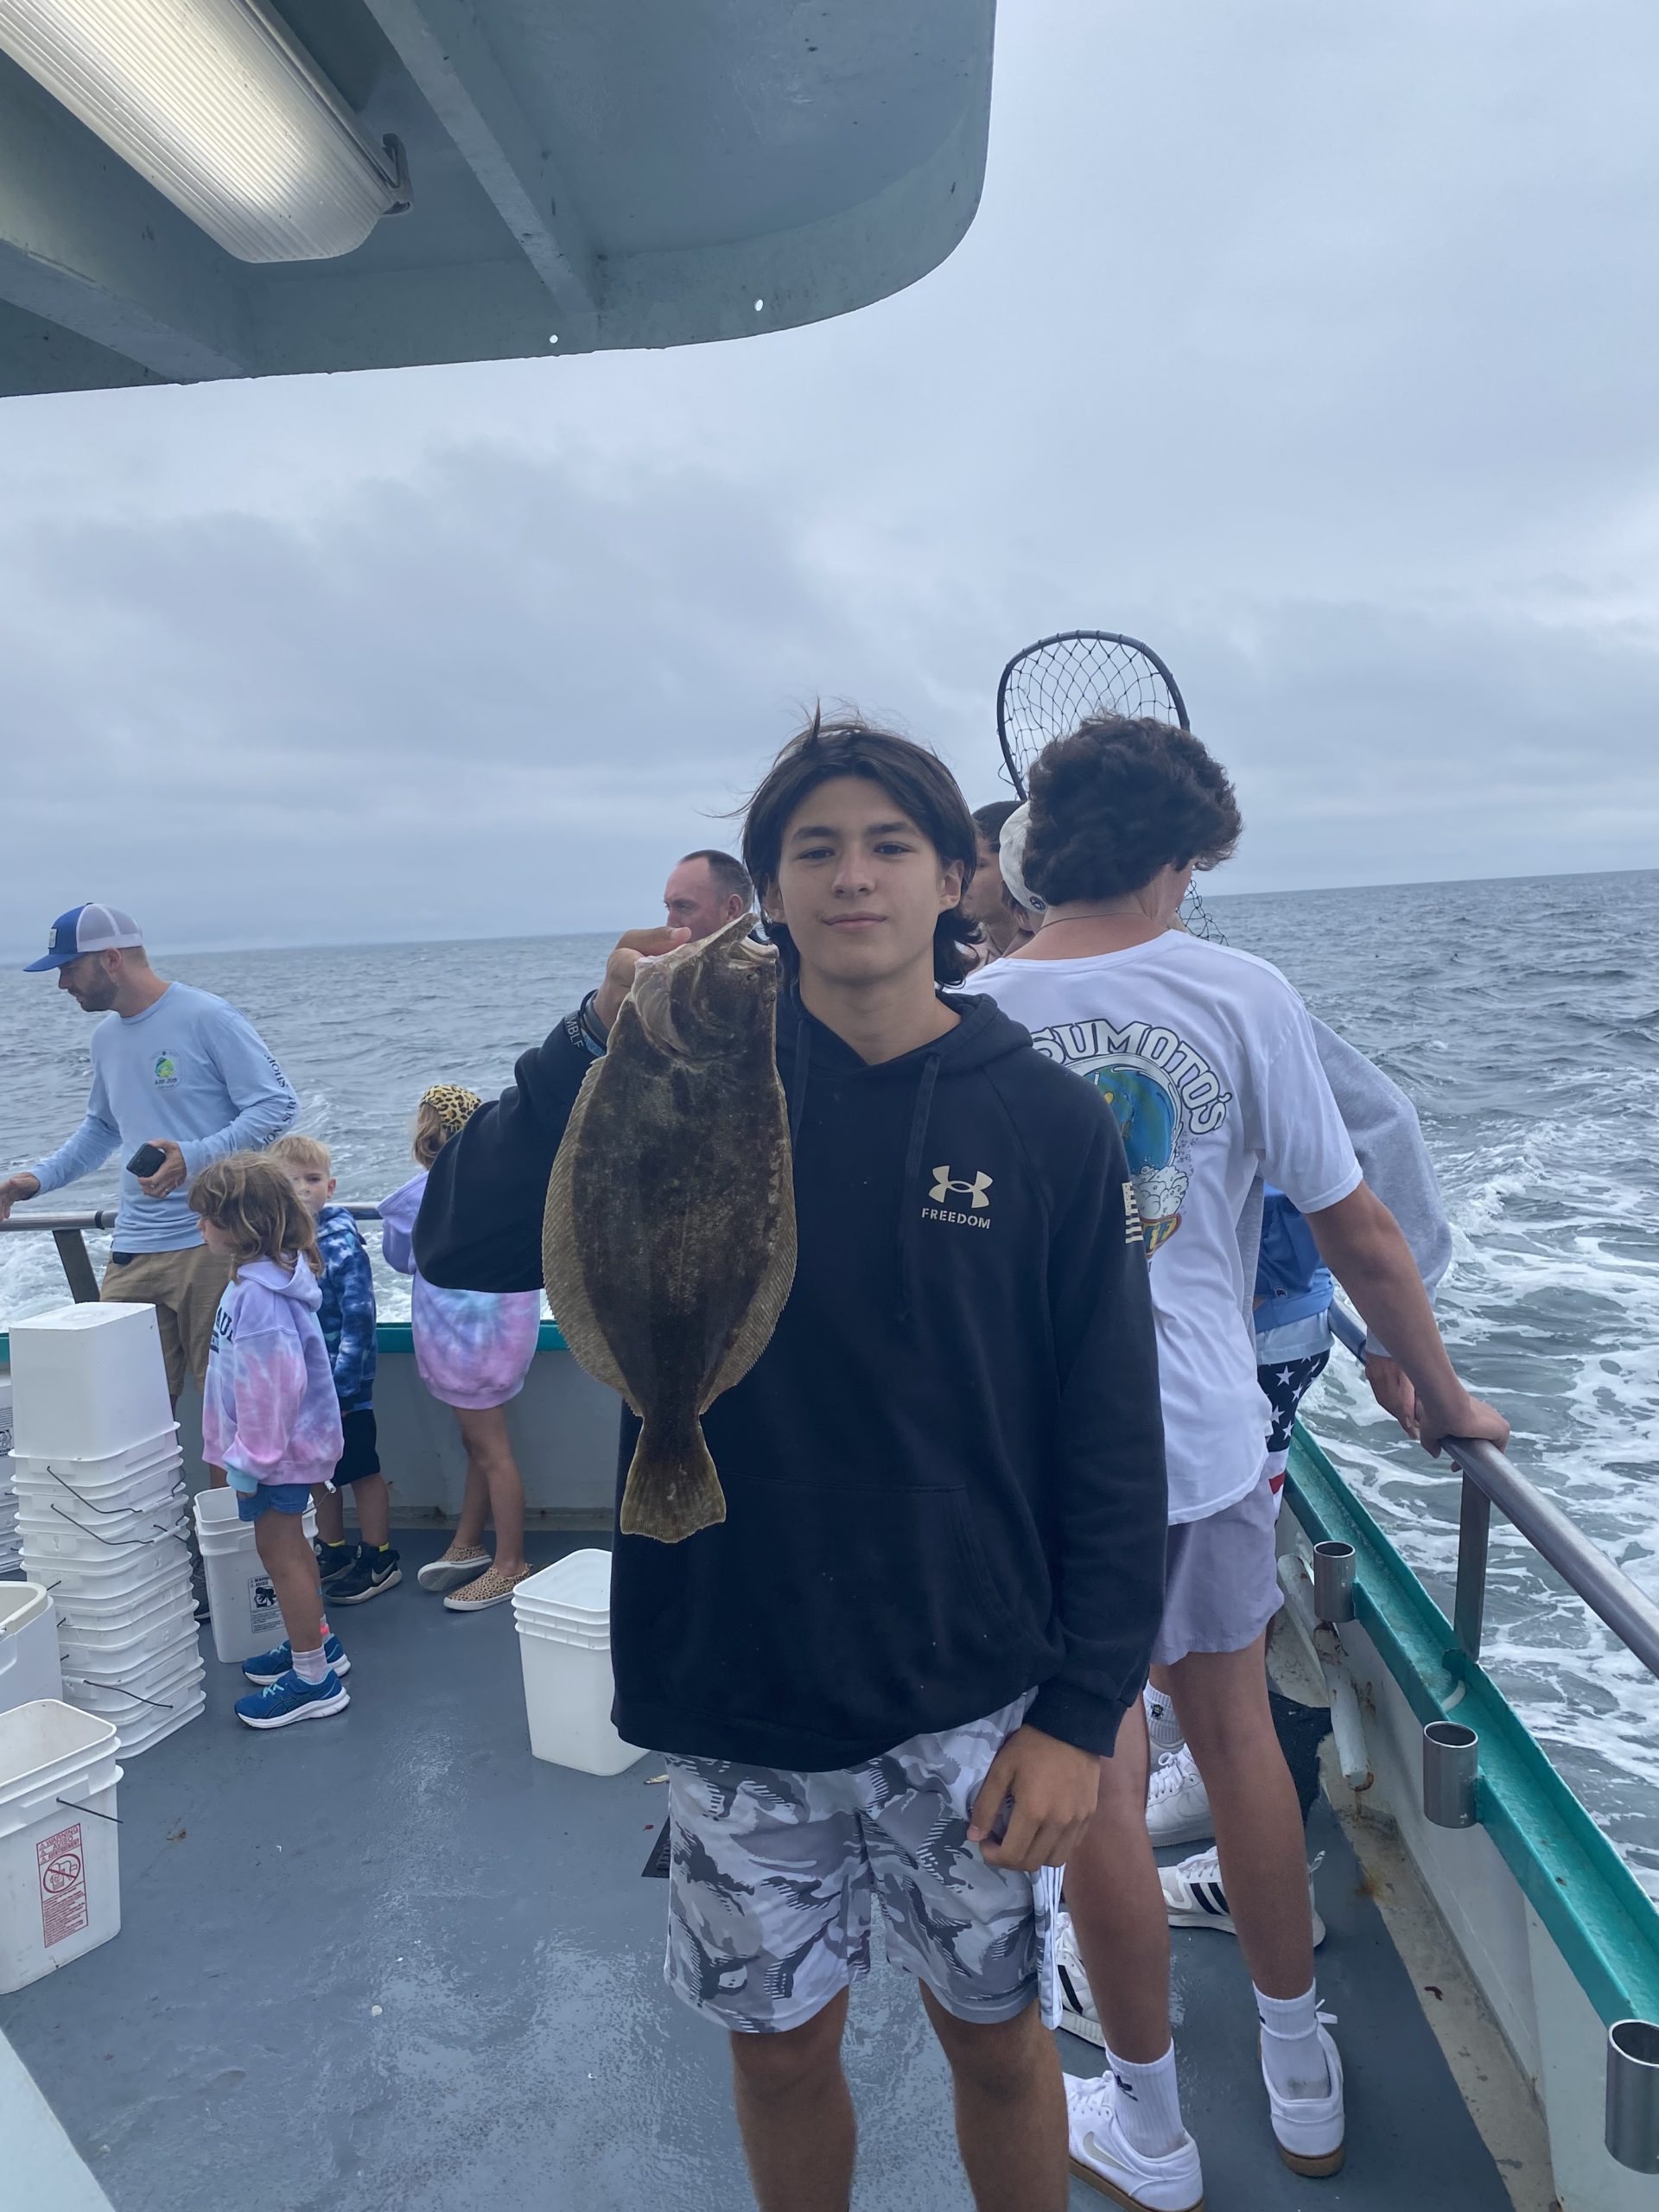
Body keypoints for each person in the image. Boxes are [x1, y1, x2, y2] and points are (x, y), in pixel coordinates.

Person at [415, 715, 1170, 2212]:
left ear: (958, 877)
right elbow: (464, 1238)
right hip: (734, 1677)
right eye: (812, 849)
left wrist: (1080, 1718)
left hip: (970, 1691)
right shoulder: (680, 1073)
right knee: (773, 2056)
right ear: (768, 889)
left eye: (891, 845)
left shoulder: (1050, 1125)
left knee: (1003, 2044)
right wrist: (588, 1032)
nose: (853, 878)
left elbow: (1110, 1444)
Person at [970, 715, 1509, 2205]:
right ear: (1184, 855)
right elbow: (1359, 1228)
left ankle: (1149, 2125)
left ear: (1036, 851)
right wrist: (1438, 1389)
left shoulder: (966, 1017)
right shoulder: (1241, 991)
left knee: (1094, 1773)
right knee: (1238, 1742)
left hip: (1029, 1478)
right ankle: (1302, 2071)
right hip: (1203, 1448)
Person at [2, 903, 296, 1407]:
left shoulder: (209, 1017)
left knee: (225, 1412)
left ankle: (226, 1493)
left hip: (215, 1244)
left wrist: (195, 1155)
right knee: (123, 1411)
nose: (62, 984)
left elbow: (277, 1104)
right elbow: (101, 1130)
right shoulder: (106, 1038)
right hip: (135, 1248)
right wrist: (30, 1182)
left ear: (111, 959)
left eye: (68, 968)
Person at [190, 1154, 350, 1732]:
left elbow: (272, 1389)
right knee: (295, 1552)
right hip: (284, 1452)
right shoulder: (266, 1280)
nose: (199, 1227)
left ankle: (313, 1681)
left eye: (207, 1217)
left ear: (242, 1225)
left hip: (273, 1457)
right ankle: (319, 1644)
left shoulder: (258, 1299)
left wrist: (249, 1463)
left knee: (279, 1557)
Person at [379, 1086, 540, 1613]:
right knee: (481, 1445)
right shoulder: (506, 1190)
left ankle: (511, 1564)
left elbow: (402, 1259)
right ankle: (468, 1543)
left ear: (426, 1138)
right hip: (506, 1340)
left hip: (461, 1347)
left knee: (492, 1452)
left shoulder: (417, 1197)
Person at [268, 1135, 399, 1605]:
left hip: (344, 1391)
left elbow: (360, 1319)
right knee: (315, 1471)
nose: (302, 1189)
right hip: (304, 1387)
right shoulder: (281, 1244)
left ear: (331, 1186)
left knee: (361, 1469)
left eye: (313, 1179)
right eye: (290, 1181)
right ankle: (334, 1549)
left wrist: (342, 1391)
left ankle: (379, 1555)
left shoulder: (342, 1243)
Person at [960, 801, 1038, 966]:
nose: (961, 878)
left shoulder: (1064, 956)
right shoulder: (962, 963)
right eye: (959, 866)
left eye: (979, 865)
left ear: (1016, 867)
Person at [662, 848, 755, 942]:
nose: (669, 925)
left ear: (731, 909)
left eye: (683, 907)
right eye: (668, 907)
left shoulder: (767, 954)